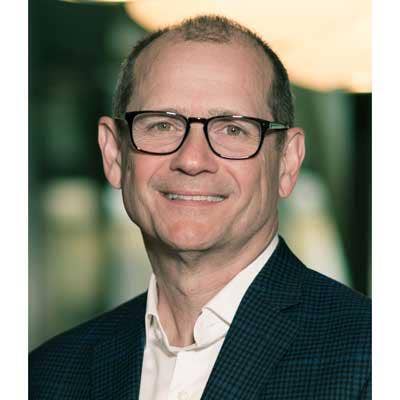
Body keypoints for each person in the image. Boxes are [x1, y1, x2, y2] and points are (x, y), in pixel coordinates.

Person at [29, 15, 371, 399]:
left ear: (288, 162)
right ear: (114, 154)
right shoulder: (46, 376)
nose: (192, 160)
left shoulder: (371, 357)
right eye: (162, 125)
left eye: (233, 129)